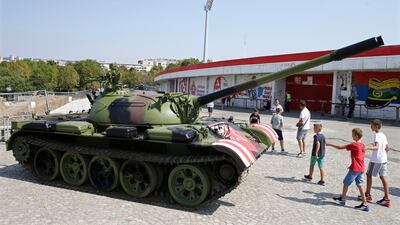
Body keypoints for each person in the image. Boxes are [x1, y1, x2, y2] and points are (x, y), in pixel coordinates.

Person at [326, 128, 369, 211]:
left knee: (346, 183)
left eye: (352, 134)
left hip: (355, 168)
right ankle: (365, 203)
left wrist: (329, 144)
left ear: (356, 136)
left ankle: (343, 199)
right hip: (361, 168)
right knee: (360, 185)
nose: (351, 136)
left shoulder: (354, 145)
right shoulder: (363, 145)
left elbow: (340, 147)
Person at [363, 119, 391, 207]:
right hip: (383, 159)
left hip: (376, 159)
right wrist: (383, 155)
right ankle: (386, 199)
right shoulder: (383, 135)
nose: (370, 126)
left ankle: (367, 195)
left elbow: (377, 147)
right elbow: (387, 148)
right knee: (383, 177)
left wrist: (366, 148)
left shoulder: (377, 135)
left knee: (368, 175)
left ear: (376, 126)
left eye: (371, 125)